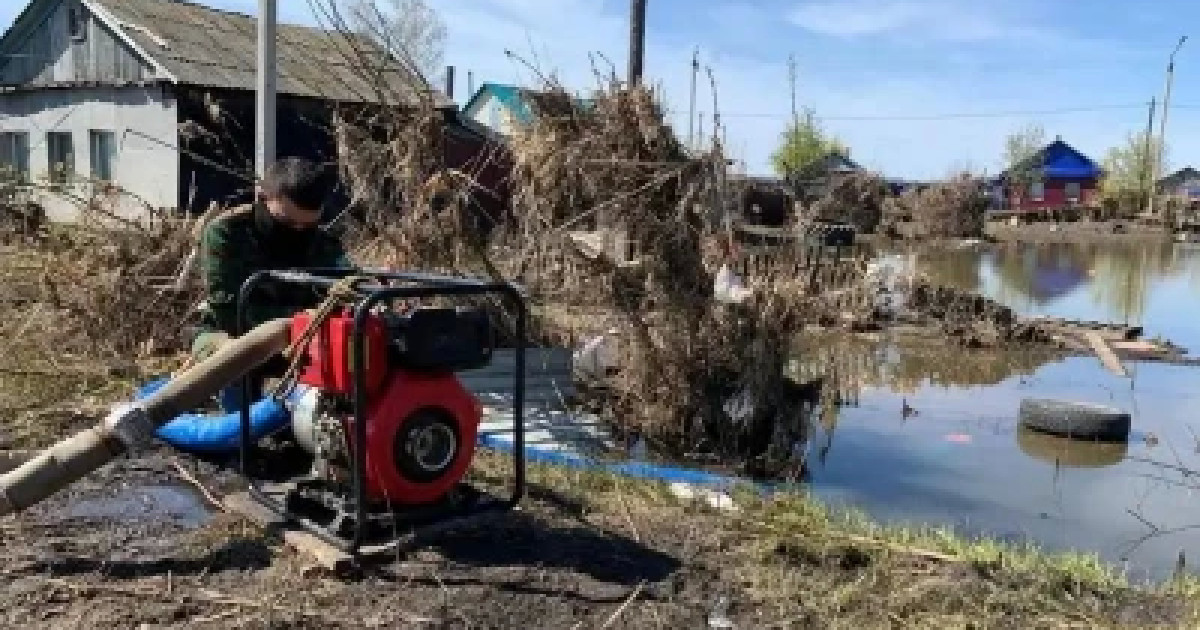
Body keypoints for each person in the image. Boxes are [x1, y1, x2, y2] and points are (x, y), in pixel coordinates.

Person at [188, 157, 354, 406]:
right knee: (234, 355)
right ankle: (238, 424)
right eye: (285, 222)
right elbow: (232, 313)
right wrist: (308, 318)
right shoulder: (228, 234)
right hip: (231, 335)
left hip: (303, 340)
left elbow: (346, 284)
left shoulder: (323, 243)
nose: (296, 232)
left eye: (307, 226)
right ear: (261, 198)